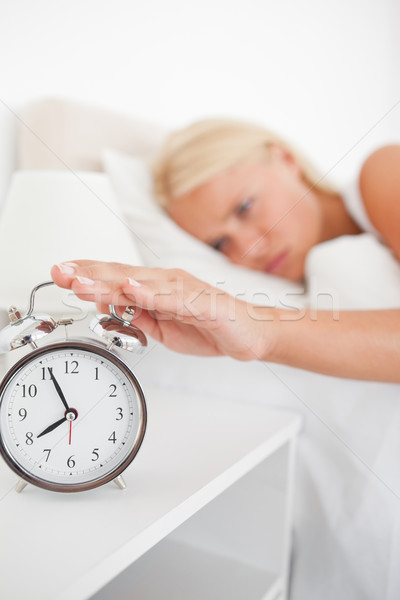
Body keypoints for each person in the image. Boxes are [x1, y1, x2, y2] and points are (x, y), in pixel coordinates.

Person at [51, 119, 400, 383]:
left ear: (285, 159)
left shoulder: (383, 171)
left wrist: (259, 329)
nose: (249, 249)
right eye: (220, 244)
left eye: (245, 207)